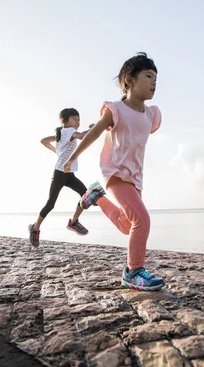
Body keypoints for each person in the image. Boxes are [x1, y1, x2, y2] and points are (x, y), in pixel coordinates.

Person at [64, 53, 164, 291]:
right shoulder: (116, 109)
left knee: (129, 226)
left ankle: (95, 196)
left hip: (135, 178)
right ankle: (134, 271)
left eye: (156, 79)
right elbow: (95, 133)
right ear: (129, 80)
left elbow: (137, 133)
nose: (153, 83)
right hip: (116, 174)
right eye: (148, 76)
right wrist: (73, 156)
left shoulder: (151, 115)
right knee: (142, 220)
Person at [28, 108, 94, 247]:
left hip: (68, 174)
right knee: (51, 203)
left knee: (85, 195)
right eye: (74, 118)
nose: (77, 121)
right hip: (59, 173)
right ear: (65, 120)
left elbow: (43, 141)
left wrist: (57, 150)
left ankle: (74, 222)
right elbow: (82, 136)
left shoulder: (62, 133)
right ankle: (35, 228)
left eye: (78, 119)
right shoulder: (69, 131)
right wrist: (94, 128)